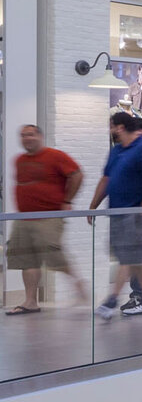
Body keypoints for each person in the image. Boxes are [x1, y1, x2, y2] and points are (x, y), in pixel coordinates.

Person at [89, 111, 142, 318]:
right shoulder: (116, 151)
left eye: (112, 127)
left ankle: (111, 300)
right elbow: (106, 180)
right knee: (135, 257)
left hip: (137, 213)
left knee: (128, 256)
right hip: (118, 212)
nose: (111, 131)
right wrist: (93, 205)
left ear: (120, 127)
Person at [8, 125, 87, 314]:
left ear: (40, 137)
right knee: (25, 259)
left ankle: (78, 285)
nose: (27, 138)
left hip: (49, 217)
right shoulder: (19, 160)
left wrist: (67, 200)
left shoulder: (55, 155)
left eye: (30, 134)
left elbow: (77, 174)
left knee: (53, 254)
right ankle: (30, 302)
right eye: (23, 135)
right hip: (23, 218)